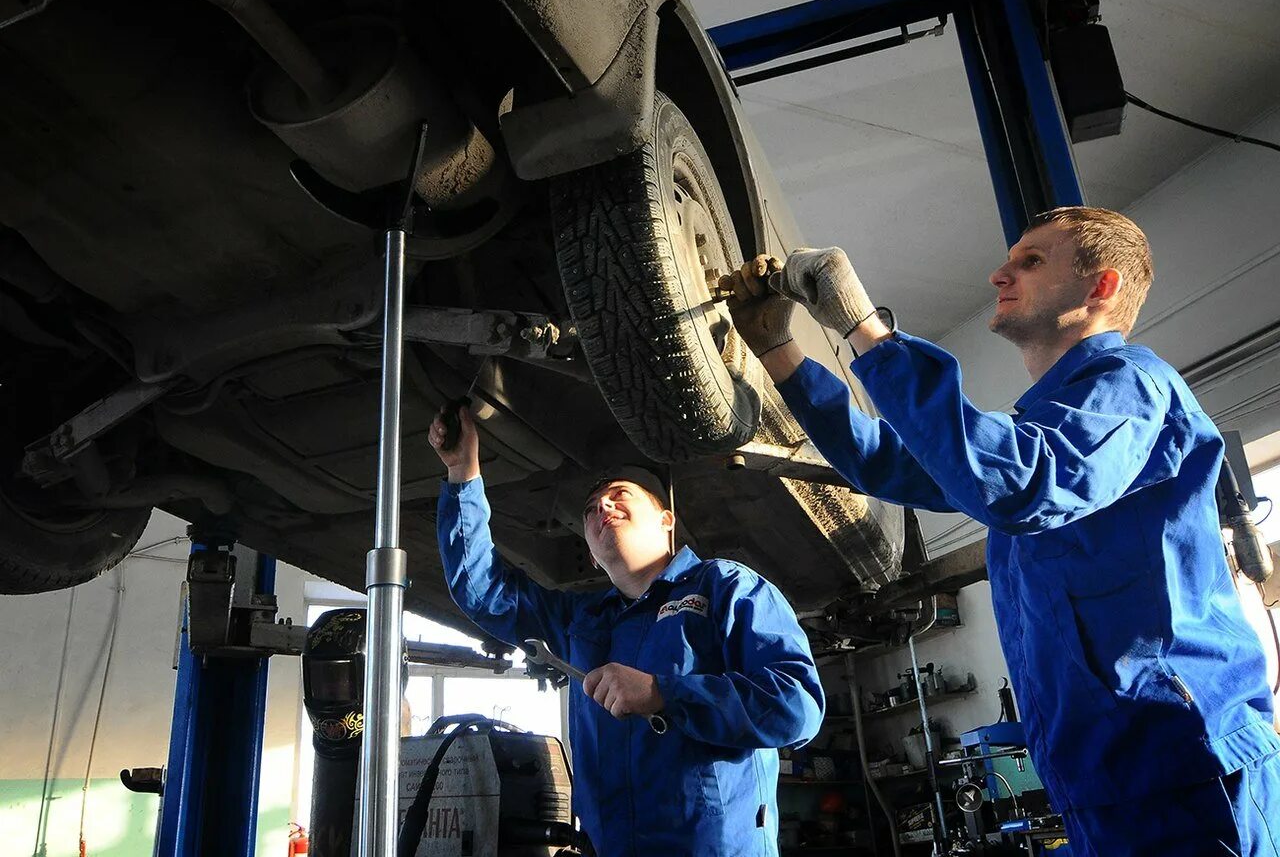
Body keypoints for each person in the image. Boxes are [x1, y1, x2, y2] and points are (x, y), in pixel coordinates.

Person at [723, 206, 1280, 856]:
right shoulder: (1036, 430)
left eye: (1032, 261)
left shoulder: (1134, 387)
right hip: (1103, 781)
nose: (999, 273)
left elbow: (1021, 483)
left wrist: (863, 327)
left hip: (1186, 768)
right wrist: (779, 352)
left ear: (1101, 287)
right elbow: (887, 460)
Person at [428, 406, 824, 856]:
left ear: (666, 521)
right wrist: (463, 472)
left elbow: (797, 708)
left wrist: (664, 693)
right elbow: (484, 591)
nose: (604, 507)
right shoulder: (583, 620)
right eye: (592, 510)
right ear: (593, 556)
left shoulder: (728, 587)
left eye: (620, 495)